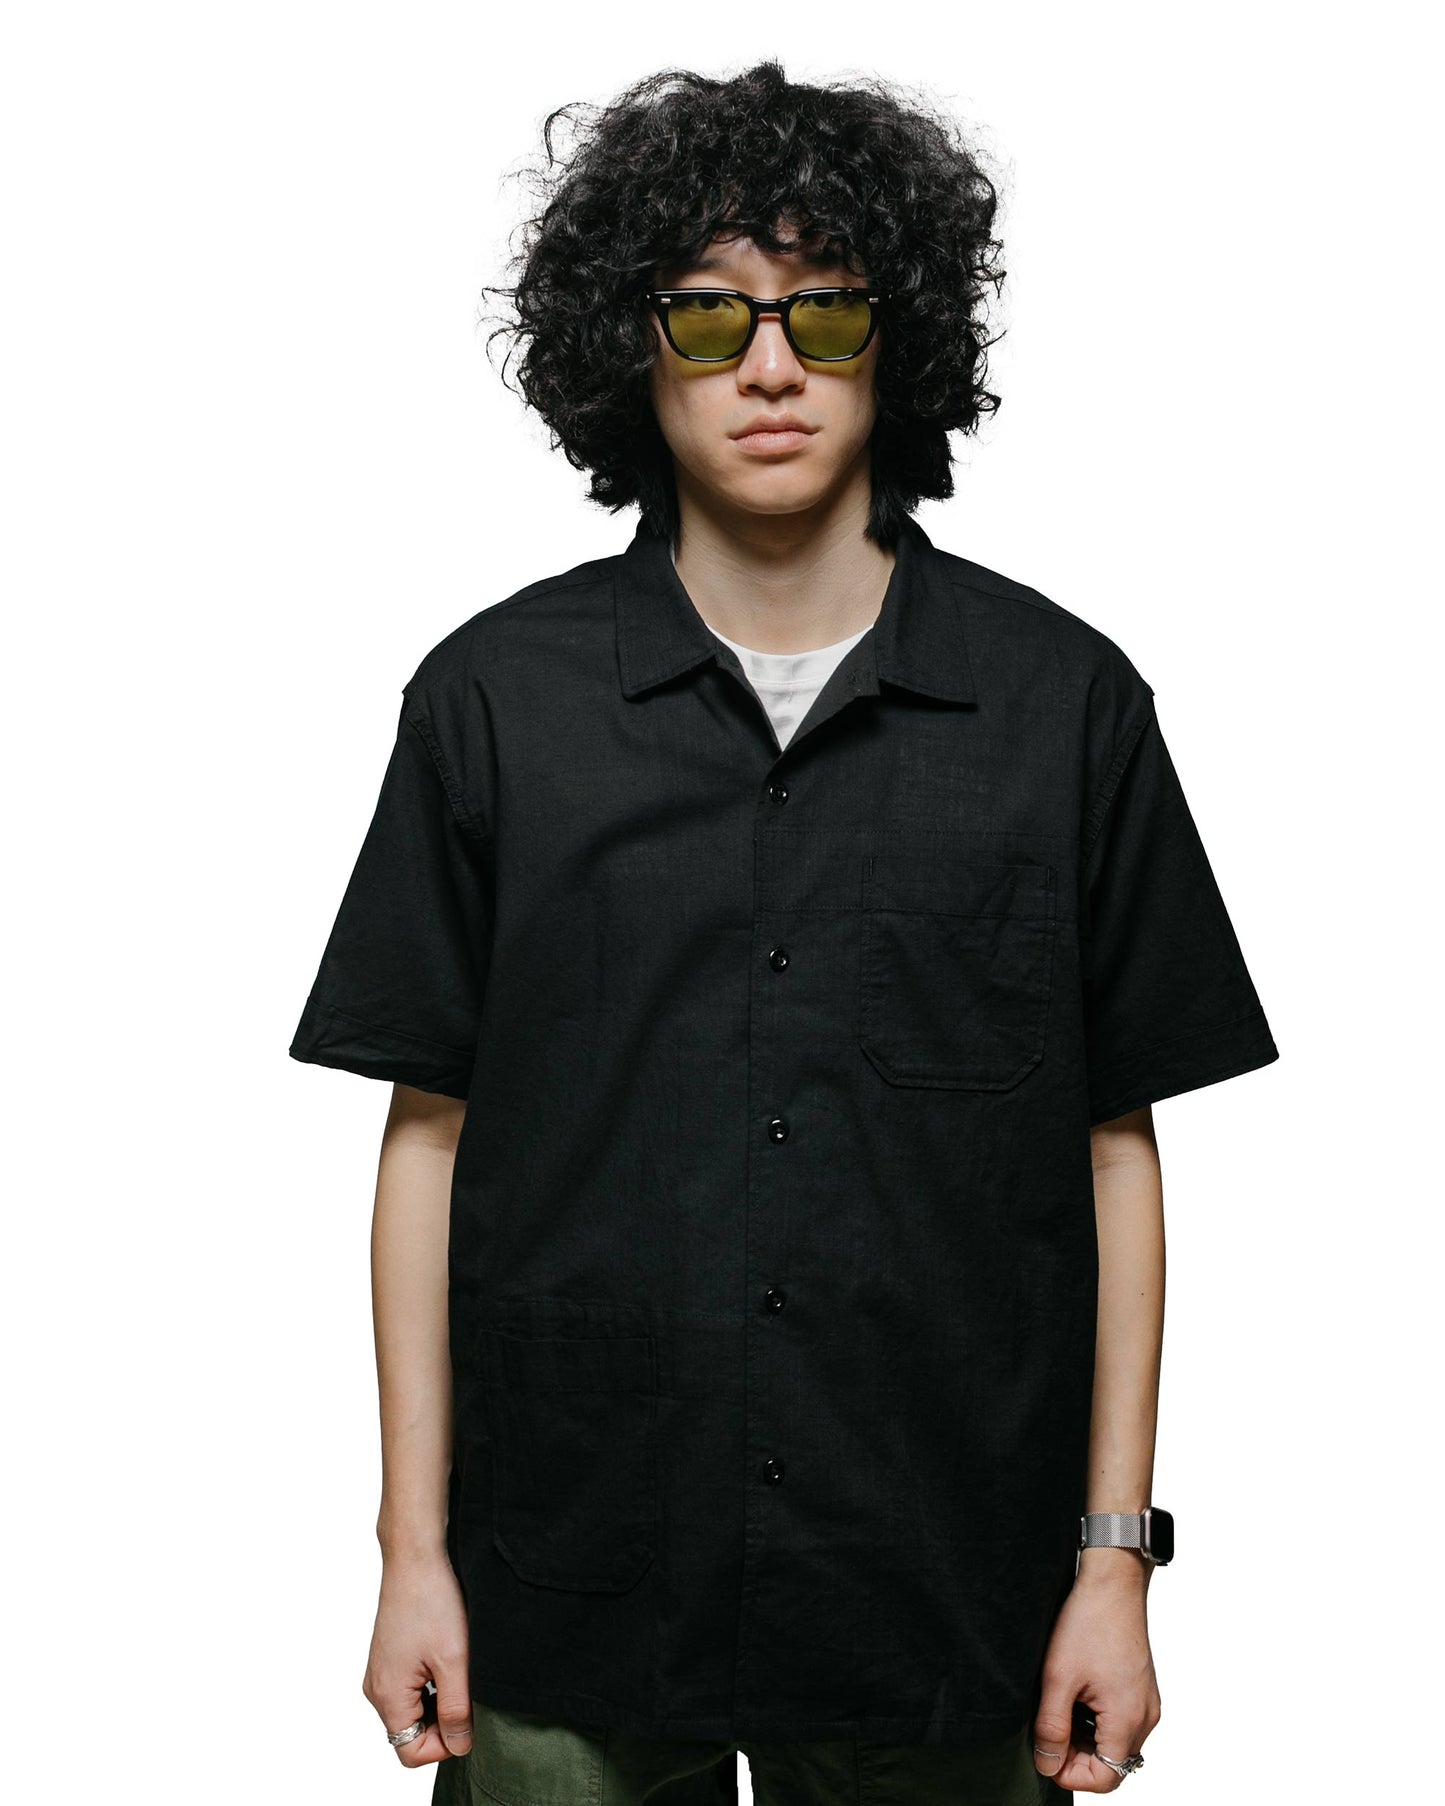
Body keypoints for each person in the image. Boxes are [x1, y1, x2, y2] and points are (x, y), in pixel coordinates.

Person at [288, 60, 1279, 1805]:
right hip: (567, 1580)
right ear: (631, 349)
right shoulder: (492, 705)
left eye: (823, 313)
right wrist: (410, 1551)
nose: (767, 367)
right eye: (707, 317)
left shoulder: (1063, 708)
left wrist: (1113, 1563)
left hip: (942, 1594)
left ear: (898, 345)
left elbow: (1111, 1150)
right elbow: (426, 1136)